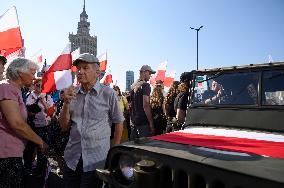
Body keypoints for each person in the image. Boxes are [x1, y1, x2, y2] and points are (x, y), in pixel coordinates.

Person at [59, 53, 124, 188]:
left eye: (85, 68)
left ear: (97, 72)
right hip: (72, 158)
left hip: (97, 160)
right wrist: (65, 104)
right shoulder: (72, 93)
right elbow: (64, 127)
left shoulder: (108, 94)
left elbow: (119, 123)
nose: (80, 72)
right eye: (78, 69)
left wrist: (114, 154)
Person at [0, 58, 48, 188]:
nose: (34, 77)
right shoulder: (6, 88)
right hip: (5, 155)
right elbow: (16, 123)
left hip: (12, 152)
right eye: (32, 73)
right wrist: (40, 141)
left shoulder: (15, 90)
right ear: (20, 72)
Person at [24, 78, 54, 177]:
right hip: (33, 127)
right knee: (29, 149)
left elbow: (50, 113)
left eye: (41, 85)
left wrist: (43, 100)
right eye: (37, 85)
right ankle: (27, 170)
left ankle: (40, 172)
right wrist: (30, 112)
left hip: (45, 127)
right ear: (34, 85)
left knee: (43, 150)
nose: (39, 87)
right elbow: (27, 110)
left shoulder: (48, 96)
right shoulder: (30, 96)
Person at [129, 65, 156, 140]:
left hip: (134, 122)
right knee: (145, 148)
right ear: (144, 72)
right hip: (143, 122)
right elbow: (146, 105)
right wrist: (151, 122)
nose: (150, 76)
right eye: (150, 73)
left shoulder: (133, 86)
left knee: (133, 147)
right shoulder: (145, 85)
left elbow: (130, 105)